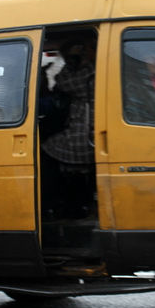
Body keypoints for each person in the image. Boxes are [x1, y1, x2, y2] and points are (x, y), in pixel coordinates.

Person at [41, 41, 96, 219]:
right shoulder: (94, 67)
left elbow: (62, 82)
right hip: (88, 126)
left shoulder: (91, 71)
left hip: (85, 131)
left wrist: (72, 60)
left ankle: (51, 204)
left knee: (45, 150)